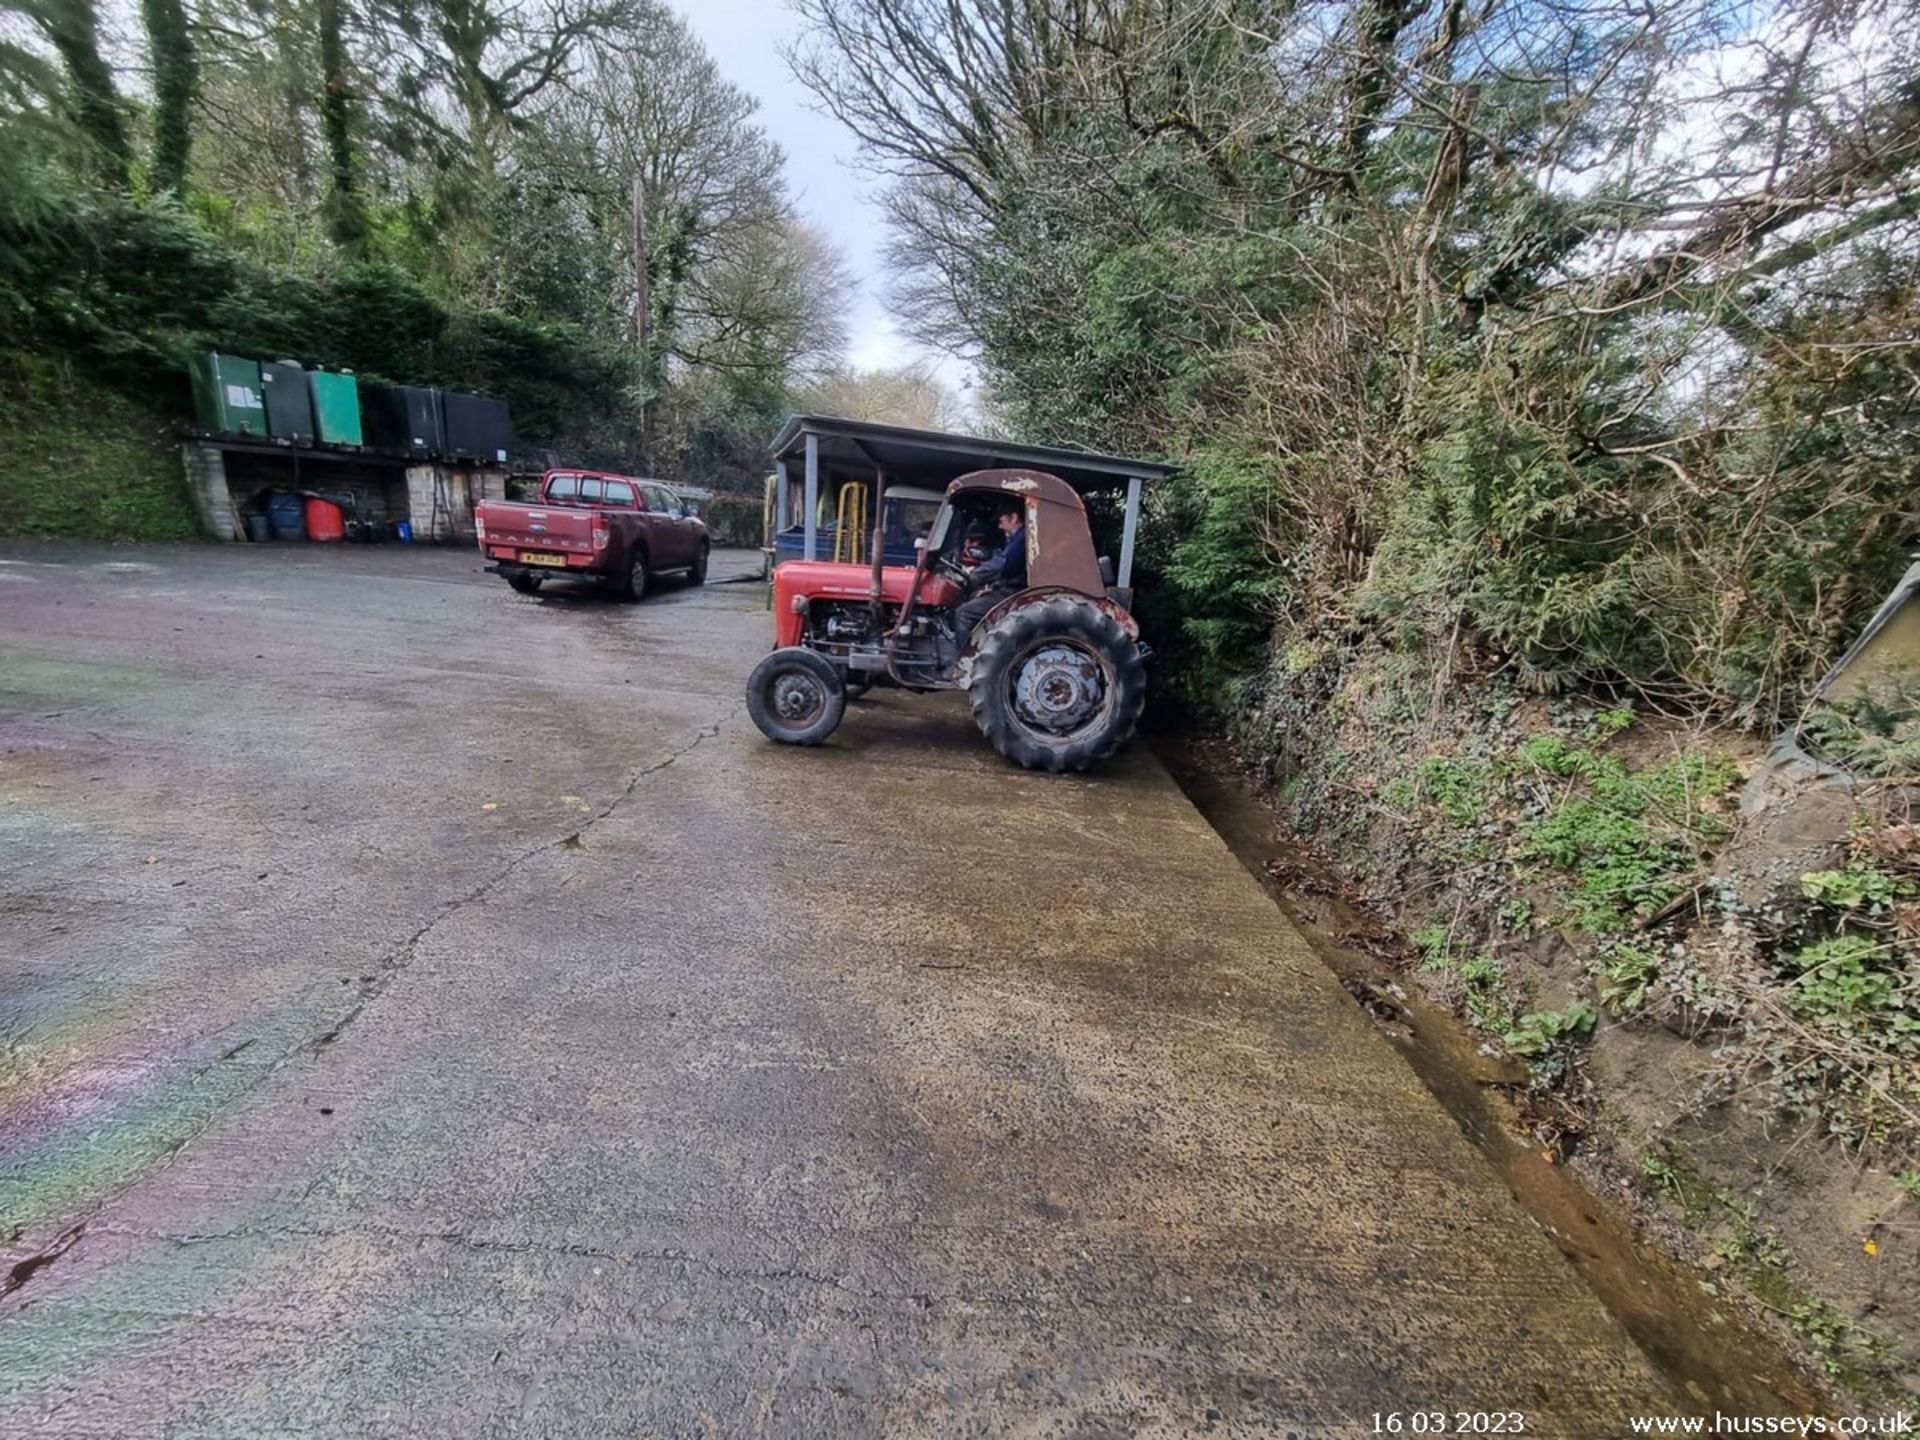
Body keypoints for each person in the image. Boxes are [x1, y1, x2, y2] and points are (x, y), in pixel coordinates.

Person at [952, 502, 1027, 647]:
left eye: (1001, 521)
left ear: (1014, 518)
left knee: (964, 613)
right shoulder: (1018, 538)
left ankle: (964, 664)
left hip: (1014, 592)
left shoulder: (1022, 538)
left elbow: (1003, 564)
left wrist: (973, 576)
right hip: (1010, 588)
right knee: (976, 598)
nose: (999, 526)